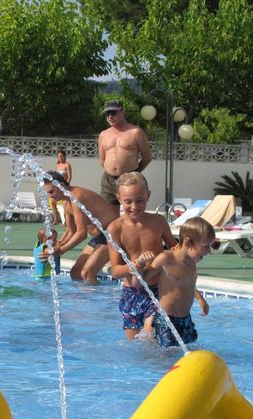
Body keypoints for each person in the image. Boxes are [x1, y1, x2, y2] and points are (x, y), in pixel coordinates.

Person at [107, 172, 178, 340]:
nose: (134, 206)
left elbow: (176, 249)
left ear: (148, 196)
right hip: (131, 293)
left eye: (140, 200)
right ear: (119, 198)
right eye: (128, 201)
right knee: (135, 346)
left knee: (153, 334)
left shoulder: (158, 222)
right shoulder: (115, 229)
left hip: (159, 289)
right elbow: (115, 271)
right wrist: (133, 266)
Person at [143, 217, 216, 348]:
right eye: (205, 246)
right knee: (167, 354)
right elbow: (143, 281)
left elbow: (188, 284)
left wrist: (200, 299)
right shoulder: (166, 258)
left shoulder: (192, 262)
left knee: (188, 350)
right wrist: (139, 264)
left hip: (185, 319)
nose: (209, 251)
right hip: (166, 319)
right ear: (188, 243)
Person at [42, 171, 118, 285]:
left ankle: (100, 296)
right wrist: (56, 247)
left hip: (113, 235)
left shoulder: (76, 197)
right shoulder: (66, 203)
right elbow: (70, 231)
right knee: (76, 273)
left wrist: (60, 250)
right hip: (99, 237)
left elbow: (82, 234)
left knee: (87, 273)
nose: (50, 196)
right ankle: (89, 294)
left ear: (61, 186)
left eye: (51, 191)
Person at [98, 99, 152, 216]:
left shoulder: (135, 132)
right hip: (109, 180)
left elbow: (147, 157)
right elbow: (102, 160)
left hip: (130, 179)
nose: (110, 117)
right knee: (108, 216)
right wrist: (111, 170)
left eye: (113, 113)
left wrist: (134, 173)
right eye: (107, 114)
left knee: (133, 213)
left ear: (123, 112)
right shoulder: (103, 135)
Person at [50, 149, 72, 225]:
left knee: (65, 203)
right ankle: (56, 220)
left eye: (62, 156)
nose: (60, 158)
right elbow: (56, 176)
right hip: (57, 186)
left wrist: (66, 186)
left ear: (65, 156)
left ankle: (66, 221)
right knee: (53, 202)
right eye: (59, 156)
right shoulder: (57, 165)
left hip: (64, 186)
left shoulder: (67, 165)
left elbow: (69, 177)